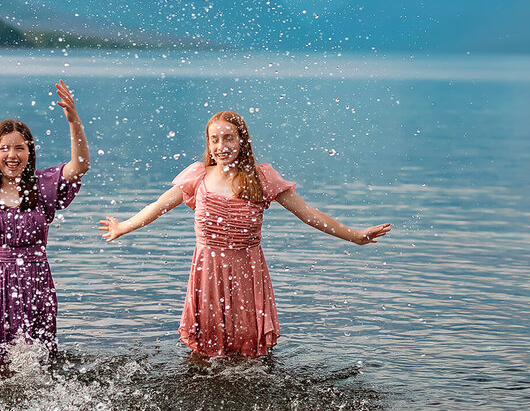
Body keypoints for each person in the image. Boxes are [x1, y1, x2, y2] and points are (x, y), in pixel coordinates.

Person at [100, 110, 389, 358]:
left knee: (249, 355)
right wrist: (123, 227)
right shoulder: (197, 177)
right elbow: (158, 206)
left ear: (242, 141)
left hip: (247, 274)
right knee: (204, 354)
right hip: (207, 274)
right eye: (215, 139)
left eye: (229, 138)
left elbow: (308, 214)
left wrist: (357, 236)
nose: (221, 146)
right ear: (208, 143)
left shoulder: (261, 178)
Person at [0, 76, 89, 366]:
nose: (12, 155)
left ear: (29, 153)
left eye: (20, 148)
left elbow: (80, 165)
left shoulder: (42, 186)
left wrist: (73, 121)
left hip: (36, 283)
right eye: (4, 149)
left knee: (39, 364)